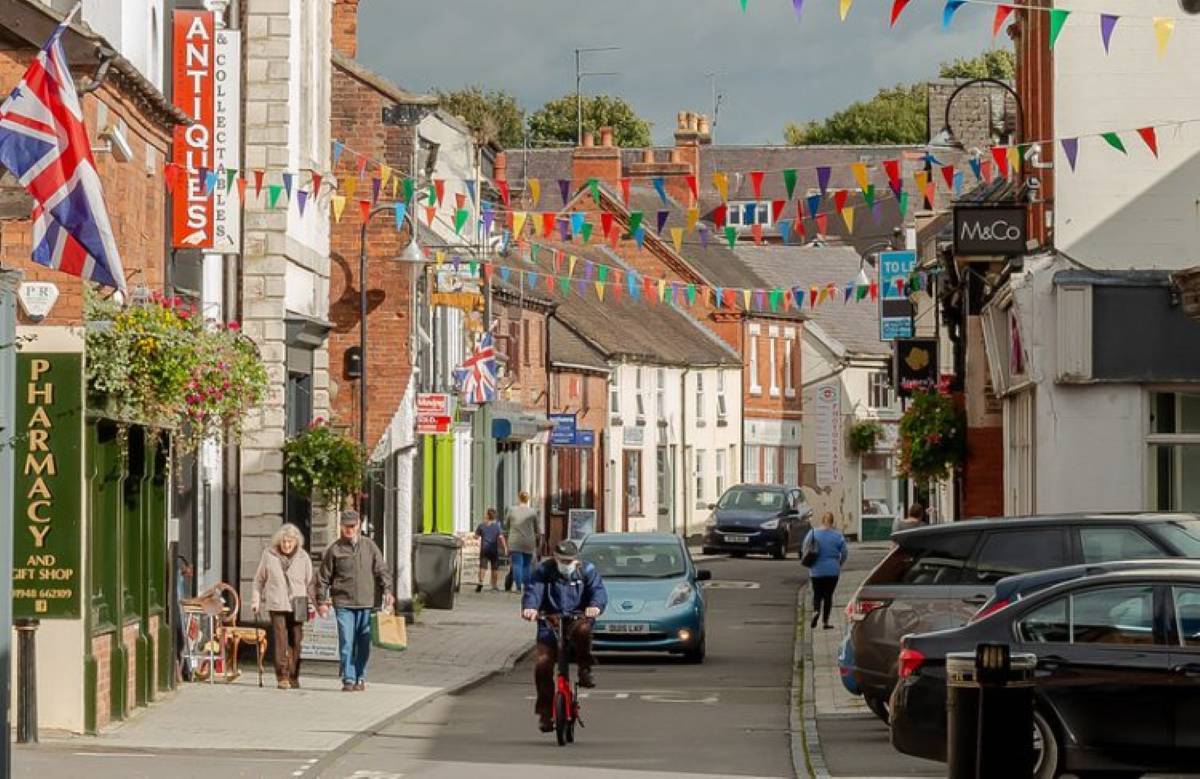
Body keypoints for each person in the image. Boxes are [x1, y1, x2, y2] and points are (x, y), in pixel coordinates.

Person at [521, 539, 608, 733]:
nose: (565, 565)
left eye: (569, 561)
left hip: (577, 618)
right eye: (562, 560)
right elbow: (533, 590)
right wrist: (530, 608)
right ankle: (545, 714)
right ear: (555, 558)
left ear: (576, 560)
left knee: (584, 631)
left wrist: (595, 606)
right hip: (550, 622)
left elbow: (598, 592)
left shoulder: (587, 570)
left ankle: (585, 669)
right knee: (543, 664)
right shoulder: (544, 570)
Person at [317, 511, 393, 692]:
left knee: (364, 643)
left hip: (367, 603)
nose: (349, 529)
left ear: (359, 525)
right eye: (346, 526)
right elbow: (323, 577)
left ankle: (360, 675)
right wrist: (321, 601)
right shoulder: (334, 549)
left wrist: (388, 591)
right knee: (346, 642)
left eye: (352, 526)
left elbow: (381, 570)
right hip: (343, 603)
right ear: (341, 526)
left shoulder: (369, 546)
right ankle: (348, 678)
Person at [251, 523, 316, 689]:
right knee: (281, 639)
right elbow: (259, 580)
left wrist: (315, 604)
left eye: (290, 542)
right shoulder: (269, 555)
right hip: (277, 602)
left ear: (296, 542)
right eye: (284, 542)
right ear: (279, 542)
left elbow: (310, 583)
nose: (287, 545)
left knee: (296, 640)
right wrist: (256, 600)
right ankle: (282, 676)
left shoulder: (303, 557)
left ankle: (294, 674)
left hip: (299, 602)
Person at [804, 512, 848, 630]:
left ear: (822, 520)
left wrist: (809, 562)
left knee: (817, 593)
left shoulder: (813, 533)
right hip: (832, 570)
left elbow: (805, 548)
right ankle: (825, 622)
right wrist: (838, 564)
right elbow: (844, 553)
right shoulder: (838, 536)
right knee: (828, 596)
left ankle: (816, 611)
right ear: (832, 522)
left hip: (816, 570)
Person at [505, 491, 541, 592]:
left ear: (518, 498)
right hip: (528, 542)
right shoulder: (532, 512)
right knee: (527, 565)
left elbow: (507, 525)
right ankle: (527, 586)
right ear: (528, 499)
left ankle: (518, 586)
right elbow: (537, 529)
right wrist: (538, 538)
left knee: (517, 564)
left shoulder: (511, 510)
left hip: (515, 541)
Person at [475, 508, 508, 593]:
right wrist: (505, 548)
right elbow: (501, 538)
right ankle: (494, 585)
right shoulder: (497, 526)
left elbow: (476, 536)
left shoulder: (481, 525)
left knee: (482, 567)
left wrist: (476, 537)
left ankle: (480, 582)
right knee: (494, 568)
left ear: (487, 515)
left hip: (484, 549)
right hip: (493, 549)